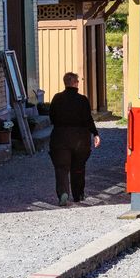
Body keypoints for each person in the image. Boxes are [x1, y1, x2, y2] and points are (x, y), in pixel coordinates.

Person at [48, 72, 101, 205]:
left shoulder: (57, 98)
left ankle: (63, 194)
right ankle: (78, 195)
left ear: (65, 83)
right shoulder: (82, 100)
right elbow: (88, 120)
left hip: (60, 137)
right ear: (75, 83)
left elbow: (52, 118)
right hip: (80, 139)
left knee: (61, 168)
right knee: (78, 167)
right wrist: (95, 134)